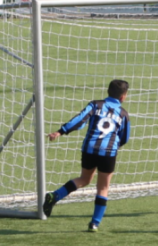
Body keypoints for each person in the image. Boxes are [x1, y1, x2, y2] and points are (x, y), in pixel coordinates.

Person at [42, 79, 132, 231]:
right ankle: (94, 223)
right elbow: (125, 137)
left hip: (89, 149)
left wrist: (61, 131)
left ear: (108, 91)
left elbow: (80, 120)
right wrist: (115, 146)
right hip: (108, 152)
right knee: (103, 187)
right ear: (123, 96)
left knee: (84, 179)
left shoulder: (95, 105)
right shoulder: (123, 114)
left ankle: (55, 196)